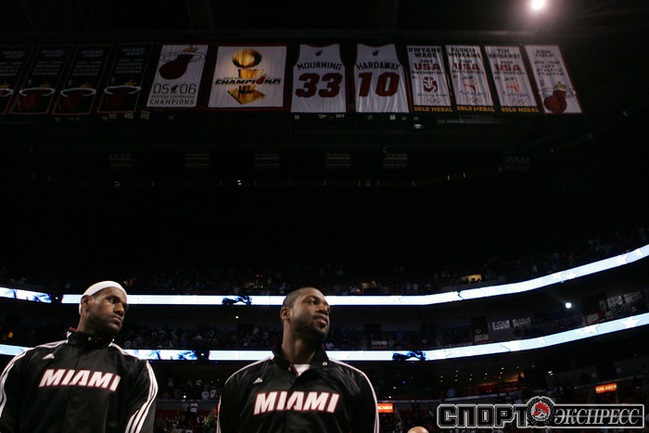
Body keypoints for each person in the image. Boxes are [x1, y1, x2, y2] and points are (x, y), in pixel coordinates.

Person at [0, 280, 158, 433]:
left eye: (124, 307)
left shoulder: (135, 369)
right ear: (86, 302)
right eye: (113, 300)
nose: (120, 310)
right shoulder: (29, 360)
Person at [216, 286, 380, 433]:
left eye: (327, 308)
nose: (324, 309)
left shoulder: (356, 381)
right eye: (313, 302)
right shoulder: (240, 381)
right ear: (285, 313)